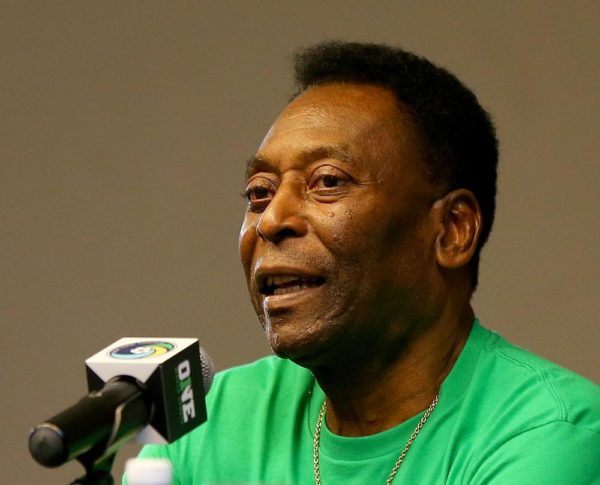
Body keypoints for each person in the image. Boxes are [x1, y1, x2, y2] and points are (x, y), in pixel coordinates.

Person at [131, 41, 600, 484]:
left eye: (327, 181)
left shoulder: (549, 433)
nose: (271, 220)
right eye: (259, 193)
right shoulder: (206, 421)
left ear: (452, 230)